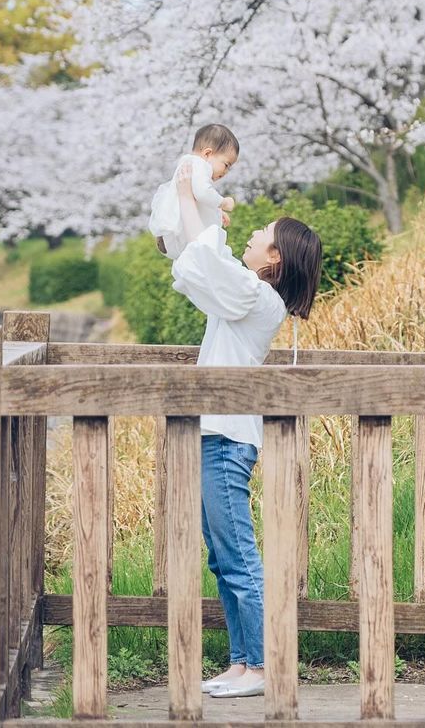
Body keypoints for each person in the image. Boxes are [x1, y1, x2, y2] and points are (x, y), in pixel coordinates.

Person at [170, 159, 323, 700]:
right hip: (217, 436)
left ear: (274, 258)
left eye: (261, 237)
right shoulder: (245, 295)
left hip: (228, 439)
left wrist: (192, 201)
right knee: (222, 556)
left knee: (237, 555)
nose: (252, 237)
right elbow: (200, 266)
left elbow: (206, 260)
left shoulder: (259, 298)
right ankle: (242, 661)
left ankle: (262, 666)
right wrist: (196, 207)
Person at [150, 123, 240, 258]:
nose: (226, 172)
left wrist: (217, 211)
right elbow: (202, 193)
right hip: (183, 232)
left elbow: (198, 197)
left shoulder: (190, 165)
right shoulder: (199, 165)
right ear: (208, 153)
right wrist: (223, 202)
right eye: (226, 165)